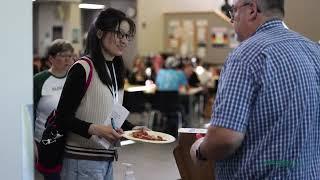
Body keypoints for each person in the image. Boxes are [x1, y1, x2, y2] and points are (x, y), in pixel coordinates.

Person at [190, 0, 320, 179]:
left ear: (251, 10)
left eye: (234, 12)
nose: (232, 20)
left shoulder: (245, 56)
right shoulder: (314, 51)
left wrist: (200, 149)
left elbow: (225, 138)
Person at [53, 8, 142, 180]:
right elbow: (62, 117)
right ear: (100, 33)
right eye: (119, 34)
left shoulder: (115, 69)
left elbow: (110, 113)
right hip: (81, 160)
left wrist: (133, 129)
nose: (124, 41)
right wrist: (95, 129)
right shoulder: (82, 68)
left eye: (127, 36)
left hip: (106, 158)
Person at [33, 39, 75, 180]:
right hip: (45, 141)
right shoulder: (39, 80)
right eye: (63, 55)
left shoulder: (73, 78)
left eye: (71, 55)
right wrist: (31, 143)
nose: (68, 59)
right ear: (51, 58)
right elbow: (29, 114)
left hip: (69, 140)